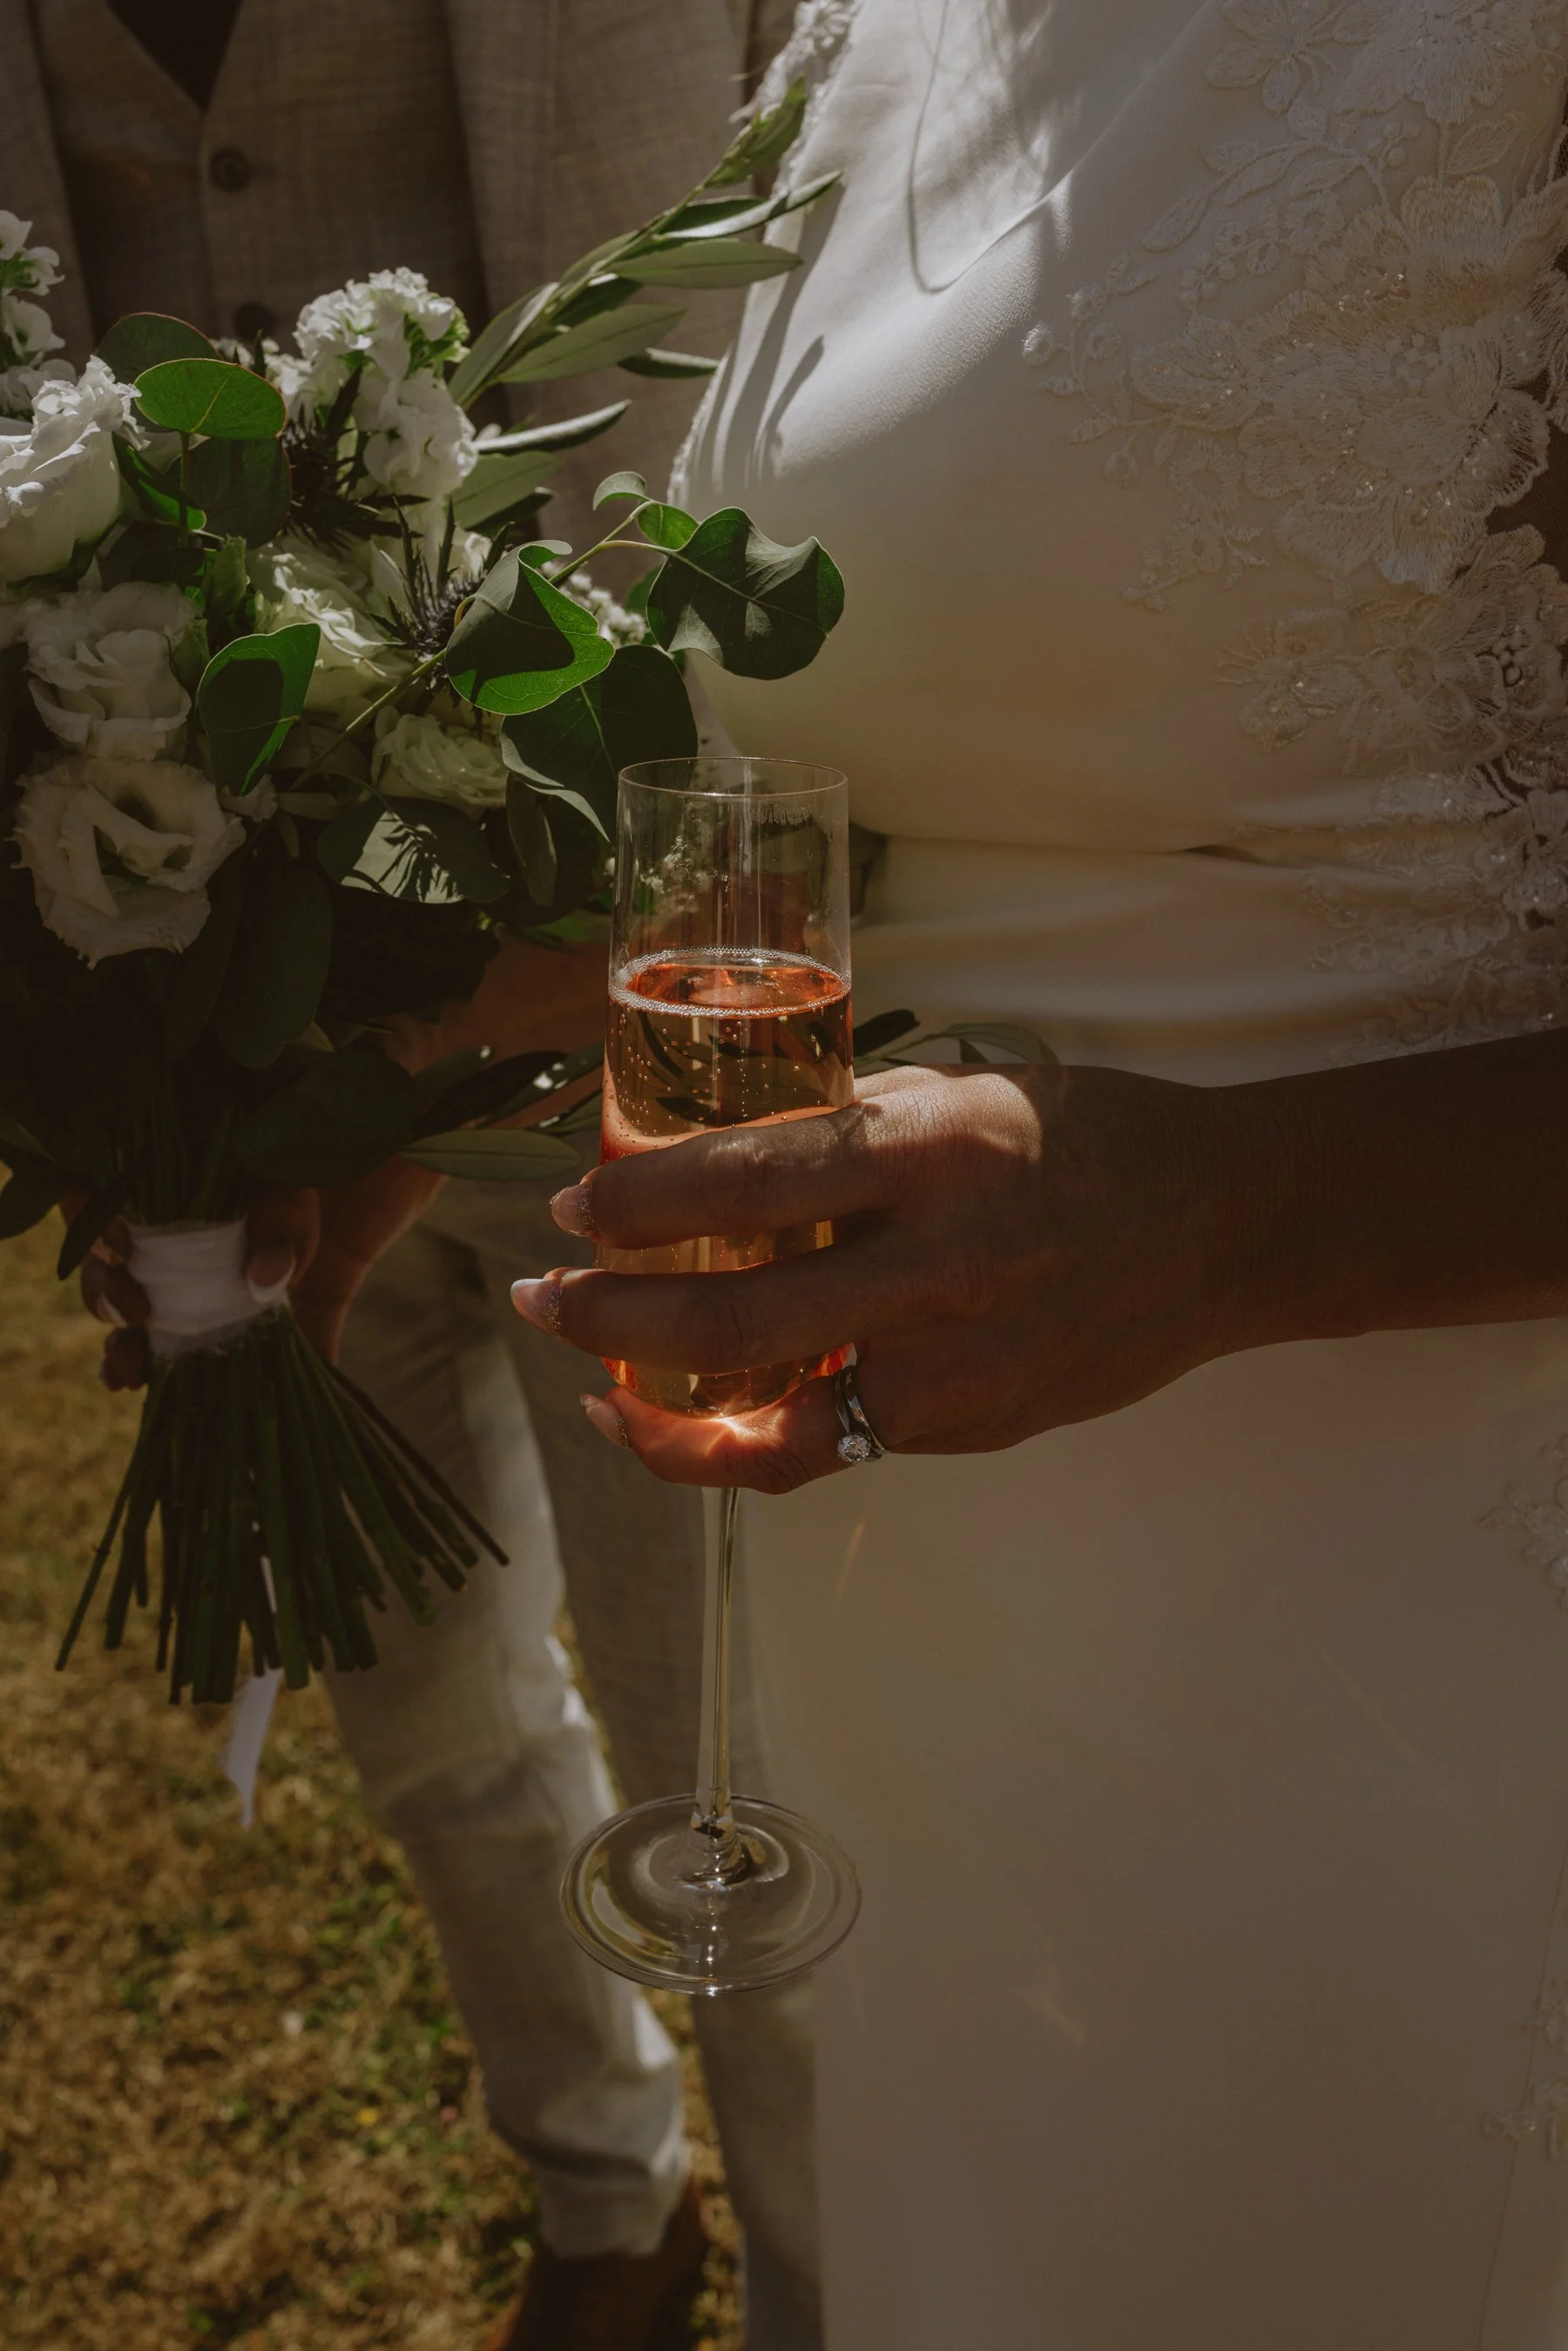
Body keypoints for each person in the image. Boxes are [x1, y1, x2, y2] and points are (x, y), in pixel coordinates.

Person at [506, 3, 1568, 2344]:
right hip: (951, 1588)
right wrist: (366, 1047)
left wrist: (1217, 1219)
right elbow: (893, 737)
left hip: (1396, 1638)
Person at [3, 5, 821, 2348]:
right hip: (180, 1021)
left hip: (628, 968)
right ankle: (597, 2191)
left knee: (720, 1737)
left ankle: (834, 2278)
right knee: (424, 1705)